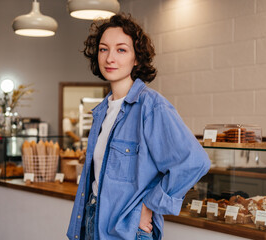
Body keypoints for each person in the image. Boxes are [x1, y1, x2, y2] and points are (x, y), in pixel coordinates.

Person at [67, 13, 211, 240]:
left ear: (136, 58)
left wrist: (149, 205)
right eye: (104, 49)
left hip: (128, 229)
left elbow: (195, 162)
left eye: (121, 50)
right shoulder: (102, 111)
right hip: (93, 220)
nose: (110, 58)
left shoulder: (151, 106)